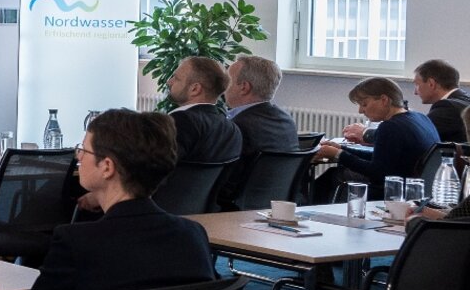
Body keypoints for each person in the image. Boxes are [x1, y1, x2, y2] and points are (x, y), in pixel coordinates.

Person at [2, 110, 215, 290]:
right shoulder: (192, 235)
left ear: (107, 167)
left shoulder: (78, 242)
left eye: (84, 149)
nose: (78, 156)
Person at [314, 77, 439, 195]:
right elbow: (382, 157)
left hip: (395, 188)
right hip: (420, 186)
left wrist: (338, 155)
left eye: (364, 104)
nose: (360, 111)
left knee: (331, 177)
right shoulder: (421, 118)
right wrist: (342, 148)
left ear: (384, 100)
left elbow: (377, 172)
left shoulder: (391, 127)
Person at [220, 56, 299, 204]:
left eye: (228, 80)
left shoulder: (237, 127)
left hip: (233, 211)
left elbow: (225, 183)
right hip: (275, 206)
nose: (224, 86)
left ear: (244, 87)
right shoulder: (287, 121)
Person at [345, 60, 470, 146]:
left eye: (417, 84)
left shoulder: (447, 108)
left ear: (431, 83)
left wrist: (365, 133)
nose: (415, 92)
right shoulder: (463, 99)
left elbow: (410, 137)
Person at [166, 57, 242, 164]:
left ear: (195, 89)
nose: (169, 82)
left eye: (176, 78)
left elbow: (154, 168)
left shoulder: (181, 121)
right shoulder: (232, 129)